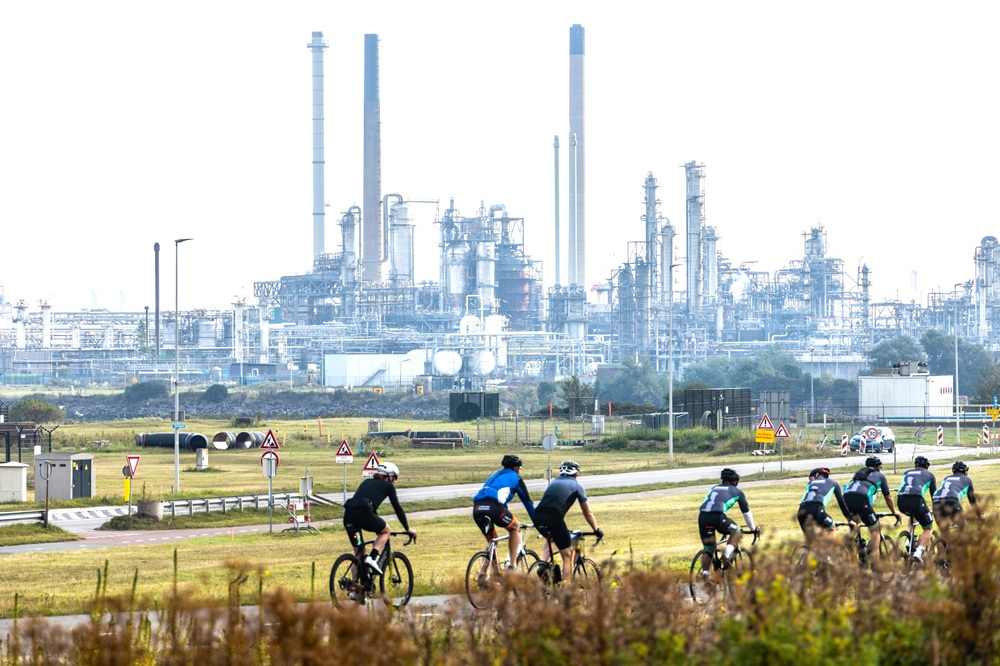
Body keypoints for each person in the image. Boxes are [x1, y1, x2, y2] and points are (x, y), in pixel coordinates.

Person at [342, 461, 417, 575]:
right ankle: (372, 558)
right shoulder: (388, 487)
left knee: (358, 555)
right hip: (364, 513)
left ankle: (354, 589)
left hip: (348, 516)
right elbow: (398, 509)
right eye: (395, 478)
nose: (395, 481)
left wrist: (377, 525)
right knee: (386, 530)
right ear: (390, 476)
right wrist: (407, 528)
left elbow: (370, 508)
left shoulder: (366, 481)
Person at [533, 460, 602, 582]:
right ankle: (567, 589)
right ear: (576, 474)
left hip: (537, 516)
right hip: (555, 517)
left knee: (551, 539)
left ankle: (543, 565)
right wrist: (596, 530)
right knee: (566, 555)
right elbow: (587, 513)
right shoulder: (577, 485)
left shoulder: (554, 482)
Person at [472, 454, 536, 571]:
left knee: (493, 540)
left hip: (477, 508)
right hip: (494, 507)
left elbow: (500, 500)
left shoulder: (496, 474)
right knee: (514, 527)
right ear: (516, 468)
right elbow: (528, 503)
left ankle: (486, 573)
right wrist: (537, 521)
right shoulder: (516, 478)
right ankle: (512, 566)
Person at [698, 468, 758, 572]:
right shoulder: (738, 492)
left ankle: (705, 574)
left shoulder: (714, 488)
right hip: (718, 517)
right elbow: (746, 512)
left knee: (708, 548)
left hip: (702, 517)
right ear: (735, 482)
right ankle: (725, 556)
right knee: (737, 532)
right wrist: (753, 528)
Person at [843, 456, 900, 562]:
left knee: (853, 527)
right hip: (861, 499)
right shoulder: (880, 476)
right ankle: (874, 560)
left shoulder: (859, 472)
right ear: (878, 467)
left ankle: (849, 553)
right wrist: (894, 512)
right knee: (875, 529)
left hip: (846, 498)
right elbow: (888, 497)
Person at [896, 456, 937, 562]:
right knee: (928, 528)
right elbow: (934, 496)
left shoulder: (907, 472)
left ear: (915, 466)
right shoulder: (930, 475)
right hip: (916, 500)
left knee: (912, 515)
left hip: (901, 501)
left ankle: (909, 541)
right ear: (927, 467)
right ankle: (919, 552)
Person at [797, 467, 853, 542]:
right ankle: (827, 553)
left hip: (801, 511)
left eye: (811, 478)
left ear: (817, 474)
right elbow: (841, 502)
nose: (811, 480)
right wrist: (849, 519)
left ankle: (805, 551)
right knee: (832, 527)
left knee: (810, 542)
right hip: (817, 510)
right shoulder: (833, 483)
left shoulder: (810, 484)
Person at [932, 460, 983, 528]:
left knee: (945, 533)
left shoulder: (947, 478)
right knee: (964, 528)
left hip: (936, 502)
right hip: (952, 501)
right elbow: (972, 501)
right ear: (965, 471)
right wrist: (980, 516)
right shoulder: (967, 479)